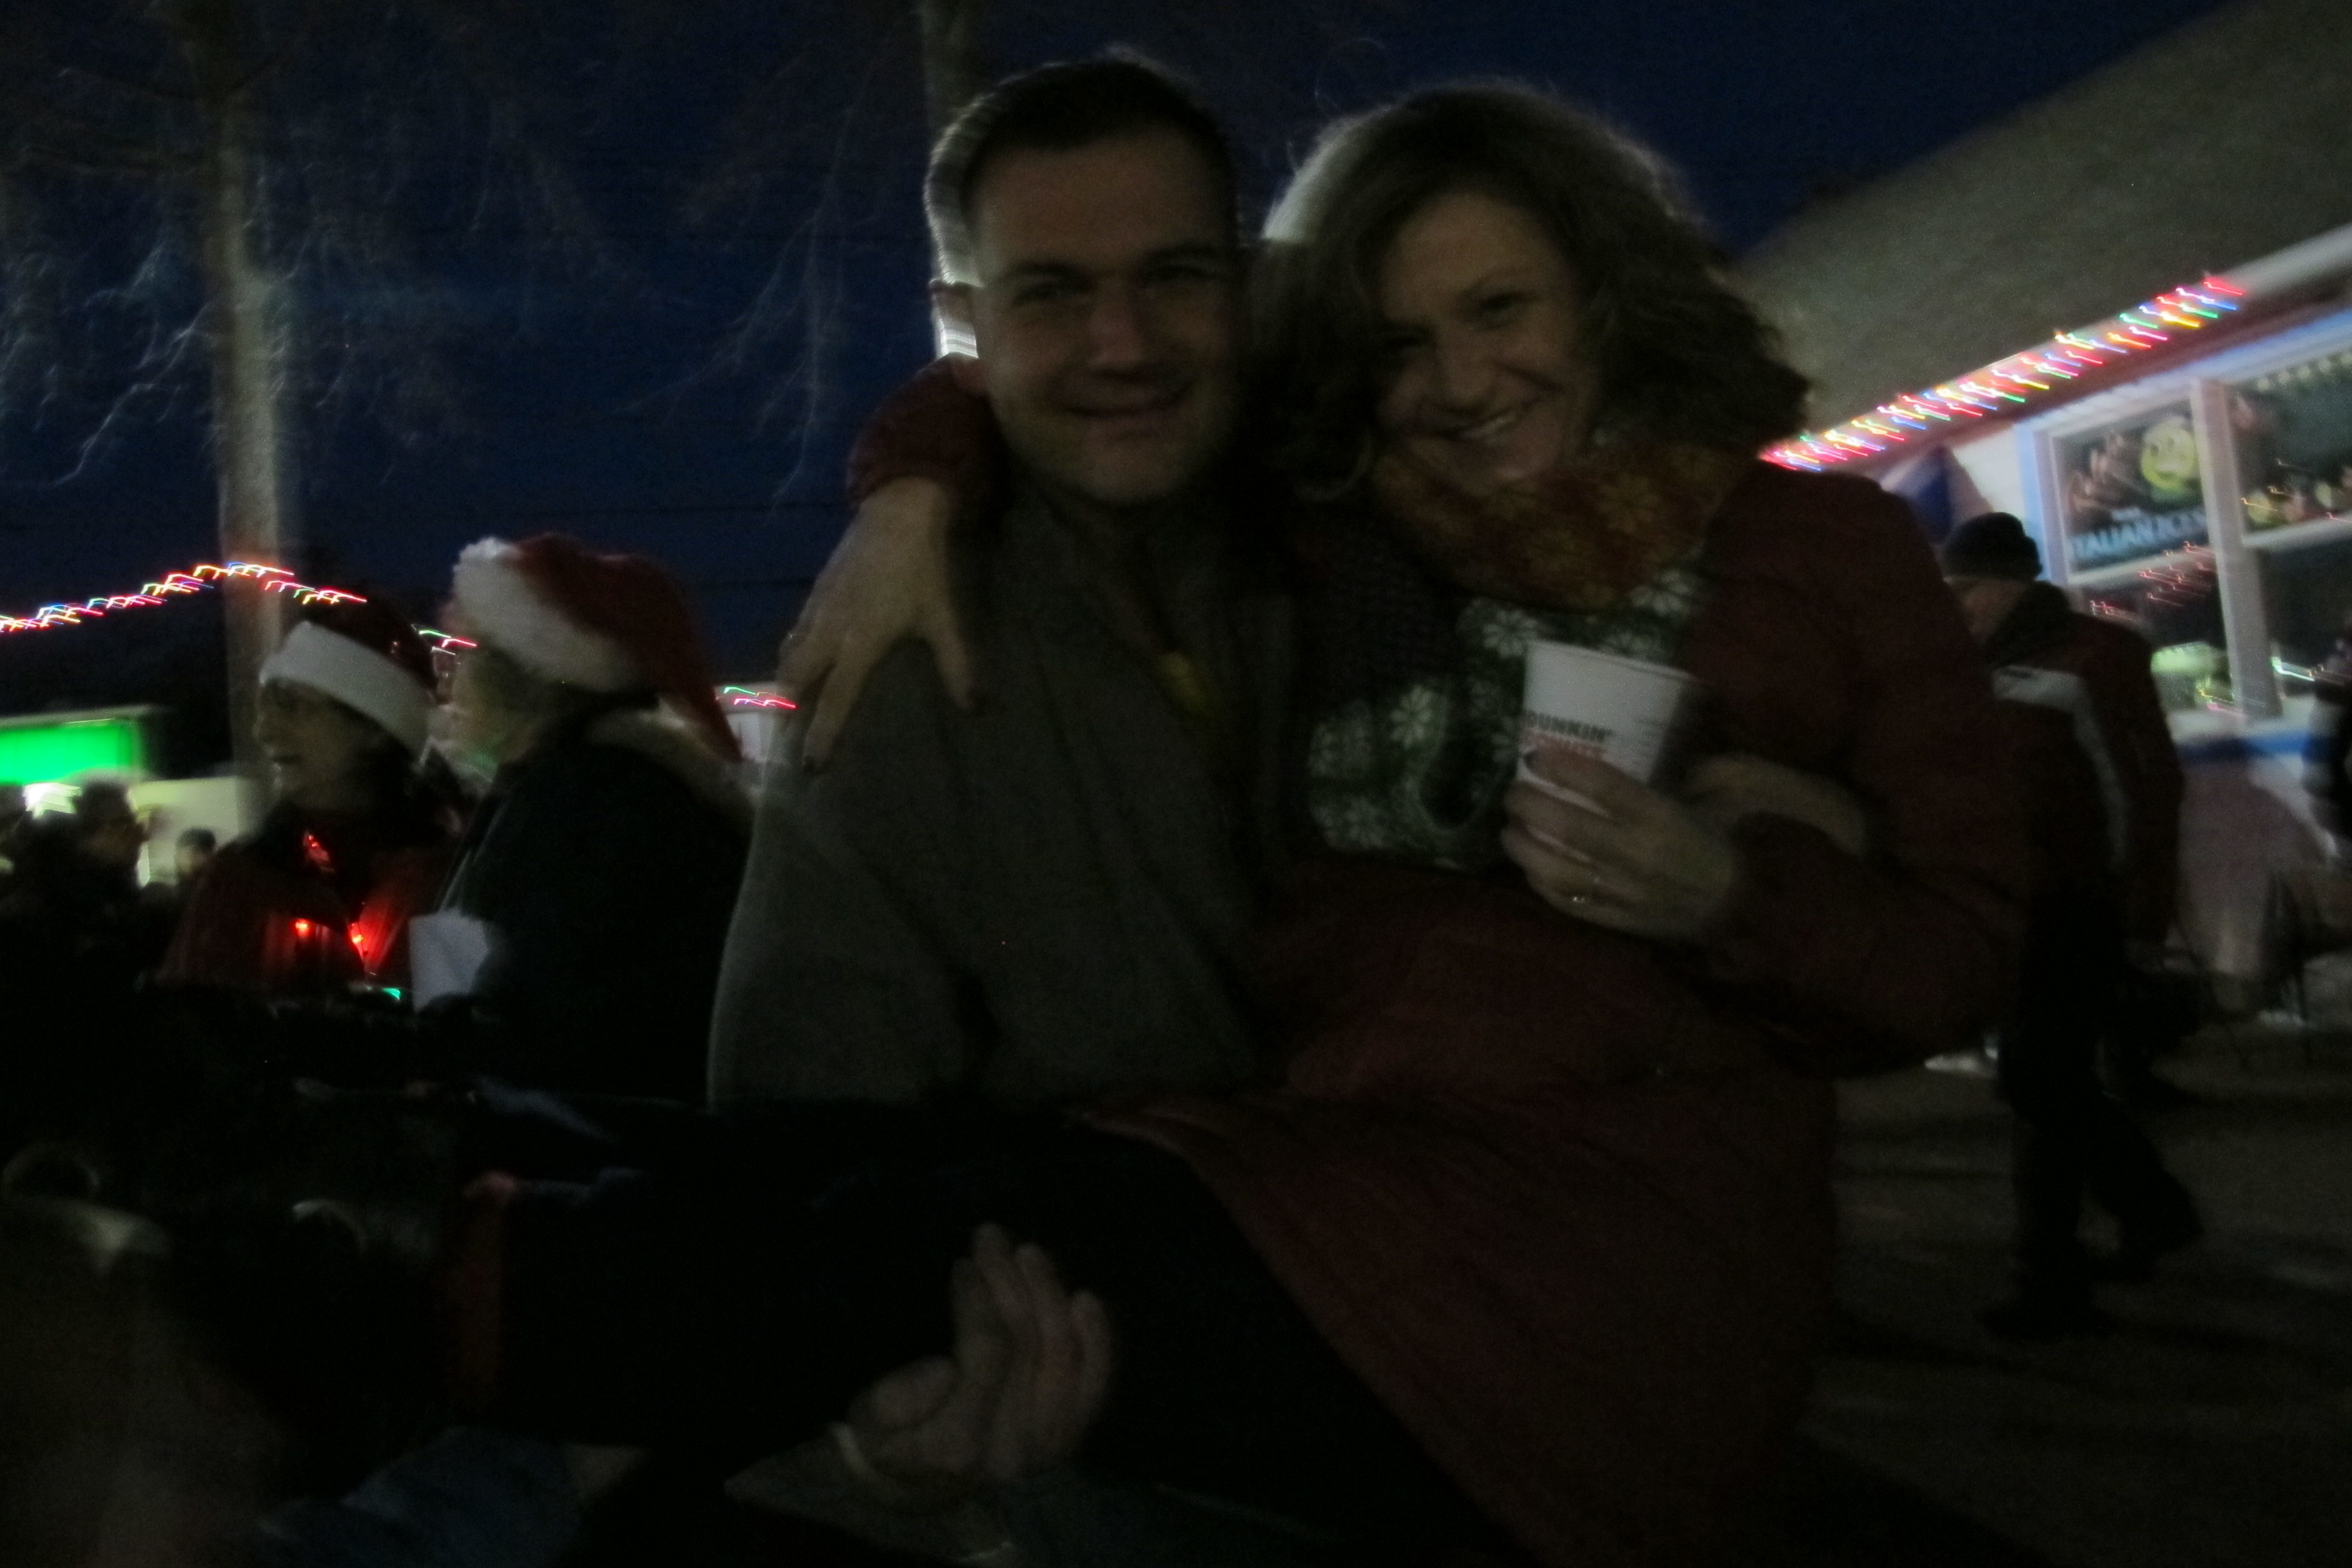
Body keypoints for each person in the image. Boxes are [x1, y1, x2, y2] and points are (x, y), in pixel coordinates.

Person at [685, 66, 2023, 1567]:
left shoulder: (1687, 543)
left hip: (1566, 1277)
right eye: (1398, 343)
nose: (1459, 381)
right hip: (1226, 1325)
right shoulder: (1262, 553)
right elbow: (799, 1120)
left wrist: (1745, 883)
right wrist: (909, 489)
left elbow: (1958, 938)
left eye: (1502, 309)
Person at [1940, 511, 2200, 1336]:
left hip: (2075, 909)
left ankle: (2101, 1240)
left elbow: (2141, 792)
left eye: (1967, 589)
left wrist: (2138, 915)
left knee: (2037, 1079)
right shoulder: (1980, 667)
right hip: (2017, 905)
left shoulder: (2092, 659)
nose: (1956, 606)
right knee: (2048, 1084)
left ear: (2013, 582)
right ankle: (2084, 1251)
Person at [422, 533, 752, 1101]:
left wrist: (438, 1045)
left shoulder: (591, 802)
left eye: (469, 653)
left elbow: (553, 1018)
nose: (450, 679)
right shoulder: (583, 782)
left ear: (526, 674)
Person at [160, 600, 457, 999]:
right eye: (265, 707)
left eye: (293, 706)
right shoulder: (243, 878)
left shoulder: (446, 876)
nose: (266, 731)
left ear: (375, 730)